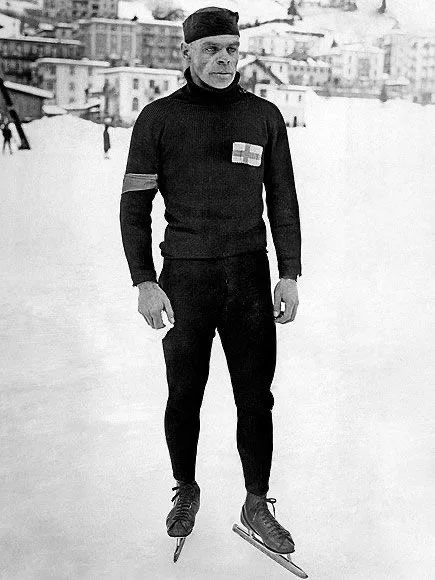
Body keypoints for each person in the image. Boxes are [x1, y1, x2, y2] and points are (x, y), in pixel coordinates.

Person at [120, 6, 302, 557]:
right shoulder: (158, 119)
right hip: (185, 277)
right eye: (211, 50)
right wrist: (144, 281)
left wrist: (289, 273)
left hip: (248, 275)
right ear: (187, 54)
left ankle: (256, 502)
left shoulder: (263, 116)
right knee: (184, 394)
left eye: (231, 49)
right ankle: (186, 488)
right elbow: (134, 208)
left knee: (256, 398)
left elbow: (283, 200)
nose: (224, 60)